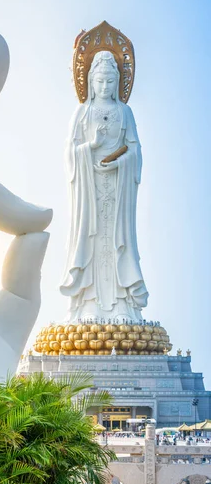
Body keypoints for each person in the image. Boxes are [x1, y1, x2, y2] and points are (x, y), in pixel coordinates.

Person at [61, 51, 148, 322]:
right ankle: (89, 304)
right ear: (90, 80)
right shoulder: (83, 112)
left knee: (116, 240)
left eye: (110, 81)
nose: (104, 87)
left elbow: (135, 151)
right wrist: (93, 146)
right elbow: (70, 152)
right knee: (92, 239)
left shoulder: (125, 112)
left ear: (118, 81)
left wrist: (120, 163)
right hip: (90, 190)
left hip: (118, 189)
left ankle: (122, 304)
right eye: (99, 81)